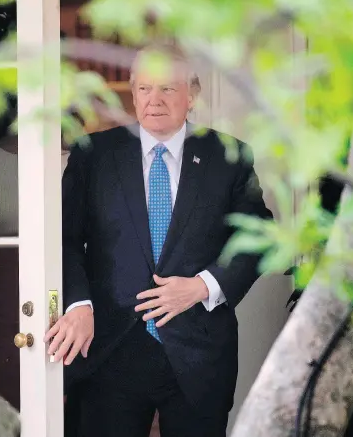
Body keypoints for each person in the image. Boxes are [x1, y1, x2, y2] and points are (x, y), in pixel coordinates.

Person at [47, 41, 273, 437]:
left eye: (168, 88)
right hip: (110, 349)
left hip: (198, 352)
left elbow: (257, 238)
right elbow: (63, 238)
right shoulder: (94, 154)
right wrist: (78, 303)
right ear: (132, 94)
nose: (155, 100)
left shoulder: (229, 156)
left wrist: (203, 287)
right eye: (144, 88)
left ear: (192, 95)